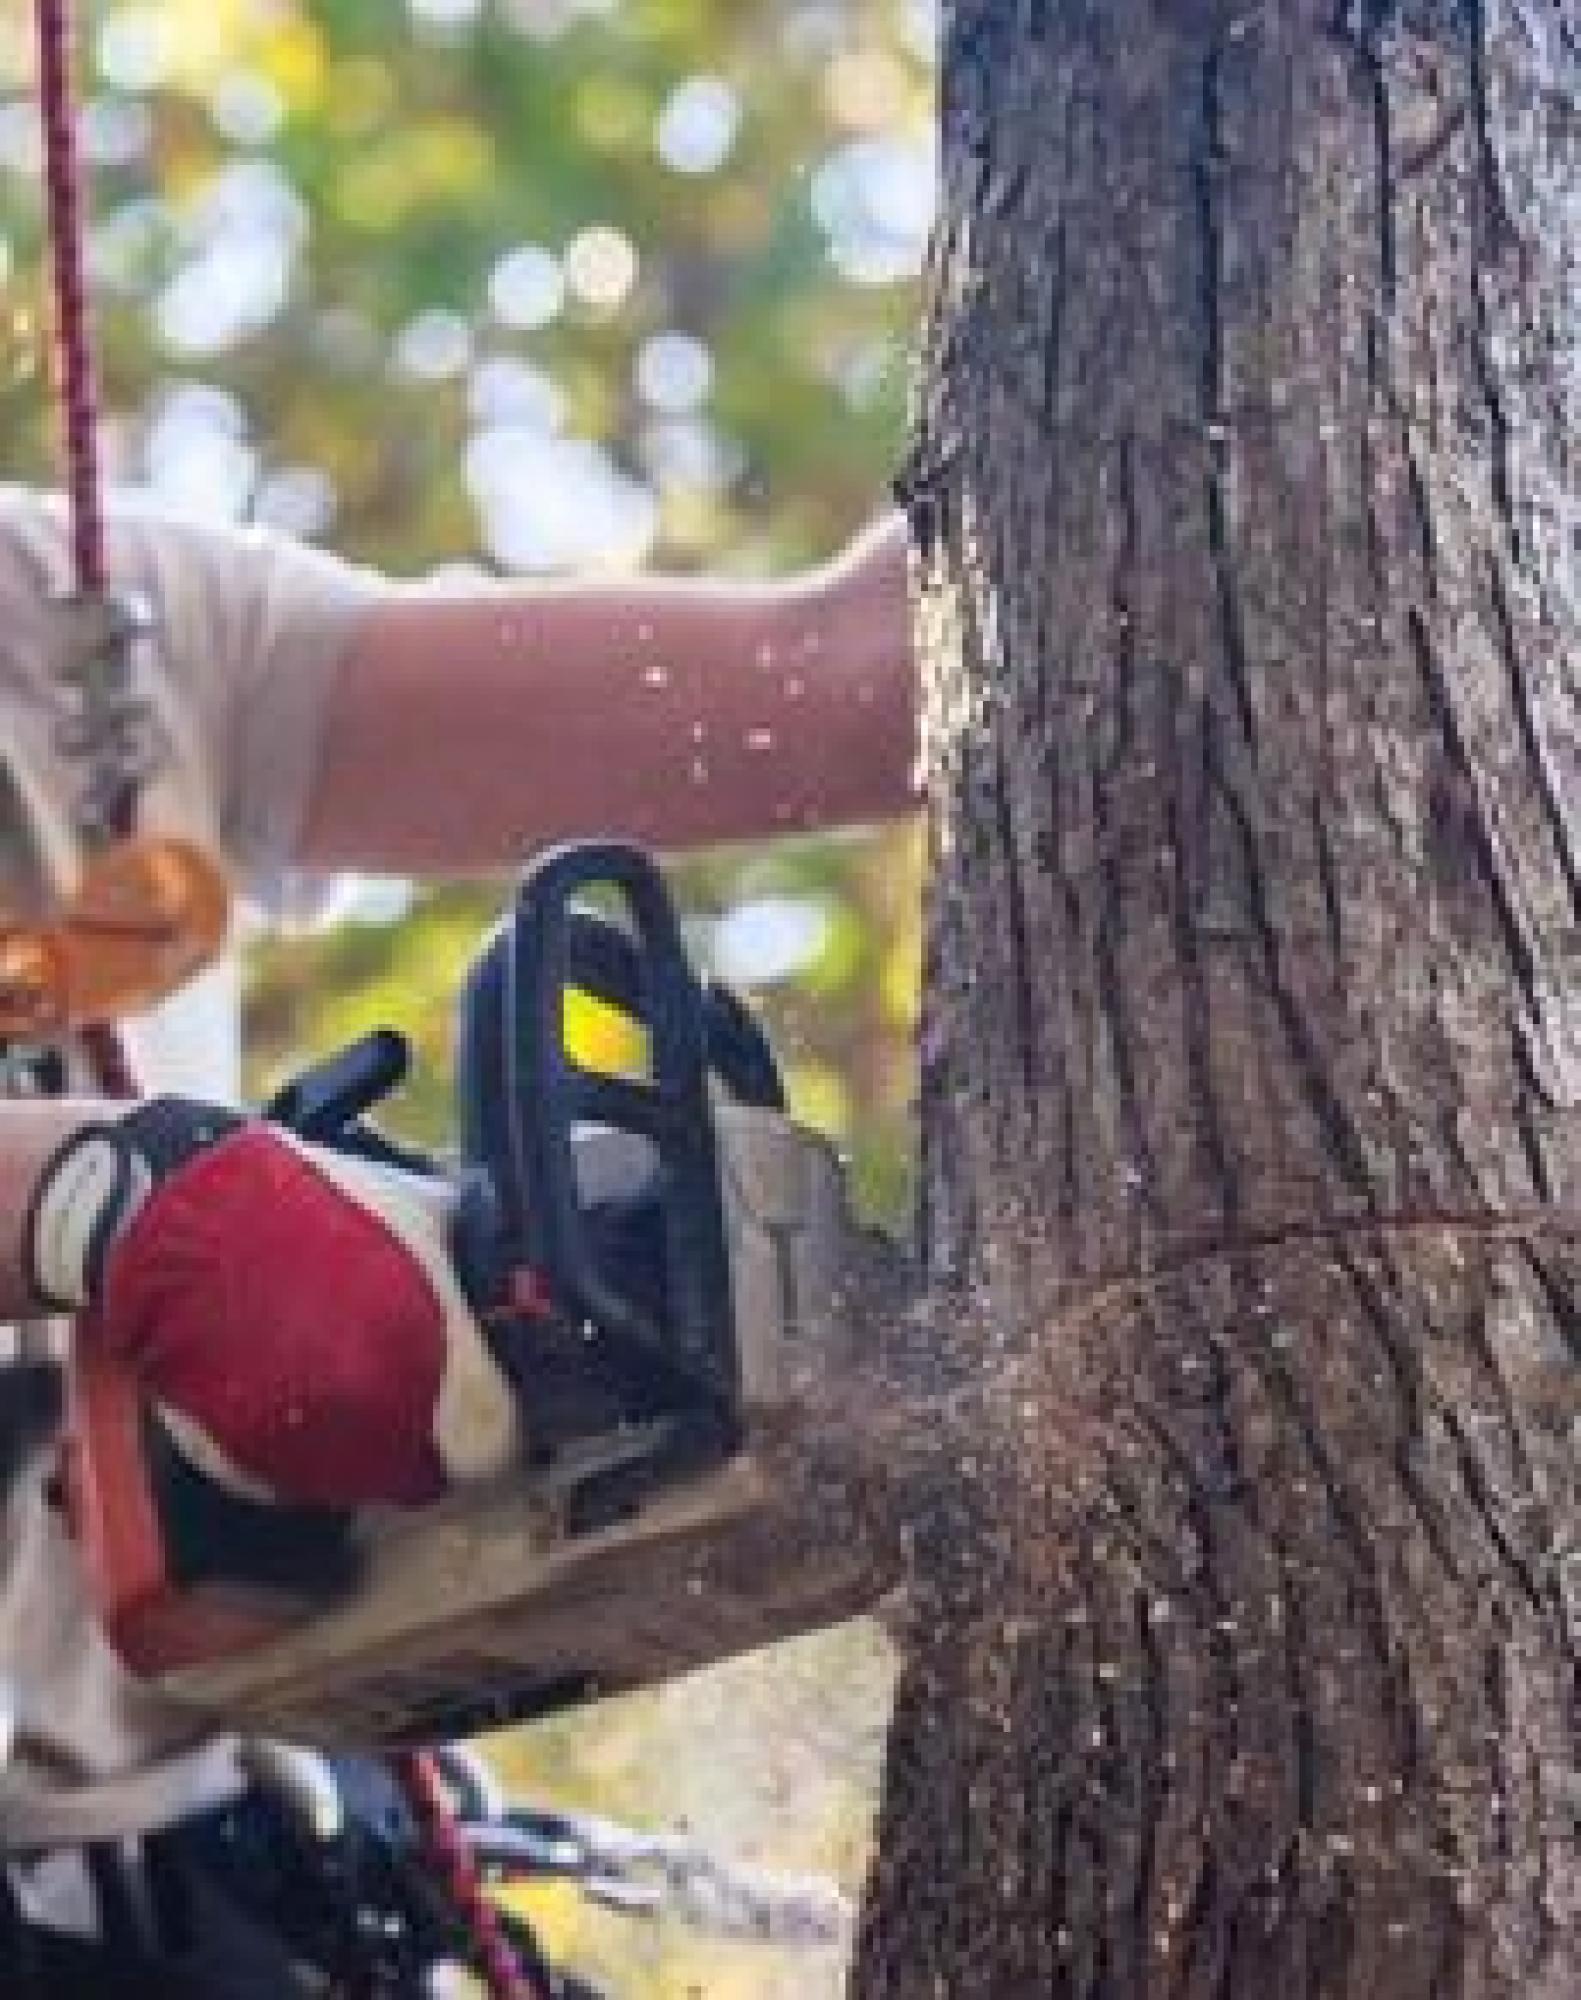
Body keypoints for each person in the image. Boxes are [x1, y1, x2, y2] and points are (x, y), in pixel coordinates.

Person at [0, 483, 915, 1993]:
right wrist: (92, 1196)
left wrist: (1170, 269)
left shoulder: (83, 621)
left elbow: (847, 686)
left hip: (194, 1872)